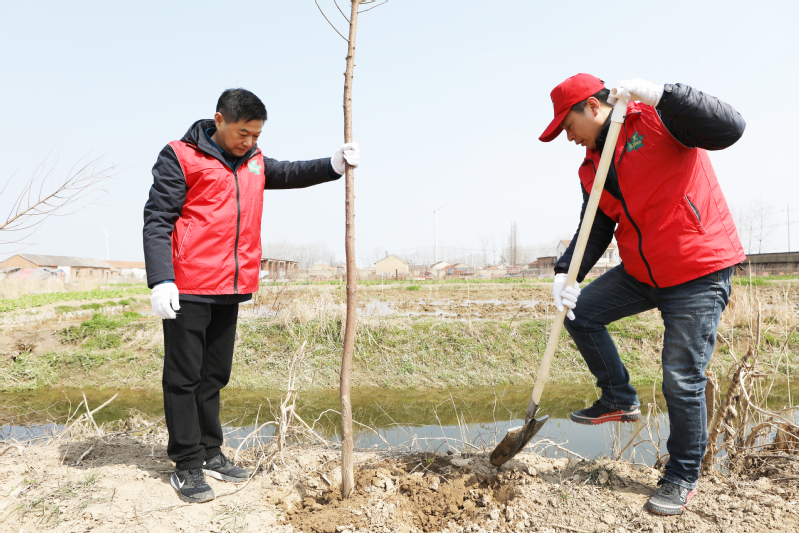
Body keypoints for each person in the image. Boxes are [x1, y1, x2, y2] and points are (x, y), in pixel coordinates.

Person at [540, 74, 745, 515]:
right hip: (643, 271)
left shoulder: (657, 119)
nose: (569, 138)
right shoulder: (593, 166)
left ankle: (682, 476)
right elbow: (596, 226)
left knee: (681, 378)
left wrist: (666, 95)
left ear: (592, 107)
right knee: (580, 313)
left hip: (696, 268)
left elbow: (731, 128)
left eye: (568, 126)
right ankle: (618, 397)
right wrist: (564, 274)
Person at [143, 88, 359, 503]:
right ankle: (186, 464)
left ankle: (210, 451)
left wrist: (332, 165)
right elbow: (157, 218)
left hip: (231, 286)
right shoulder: (181, 156)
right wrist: (161, 279)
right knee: (184, 378)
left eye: (257, 135)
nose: (250, 142)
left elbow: (290, 172)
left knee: (214, 375)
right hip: (188, 286)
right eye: (243, 133)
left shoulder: (254, 161)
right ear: (219, 120)